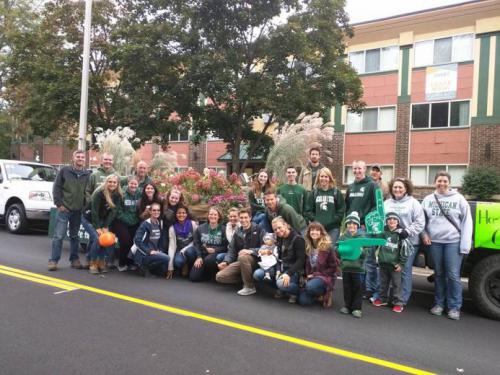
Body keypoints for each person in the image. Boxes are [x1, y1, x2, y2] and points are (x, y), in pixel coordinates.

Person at [421, 171, 473, 321]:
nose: (442, 184)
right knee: (439, 274)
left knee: (453, 275)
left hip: (453, 242)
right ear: (434, 182)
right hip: (435, 243)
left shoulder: (459, 199)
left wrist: (465, 245)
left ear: (449, 183)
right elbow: (421, 220)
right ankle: (439, 305)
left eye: (445, 181)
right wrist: (424, 234)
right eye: (439, 181)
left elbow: (467, 222)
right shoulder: (428, 199)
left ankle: (454, 307)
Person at [384, 177, 425, 305]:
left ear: (406, 188)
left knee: (404, 269)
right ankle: (393, 295)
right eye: (395, 187)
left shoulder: (413, 203)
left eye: (400, 187)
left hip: (409, 242)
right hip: (391, 242)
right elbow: (381, 220)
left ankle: (403, 299)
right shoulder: (387, 203)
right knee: (391, 269)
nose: (397, 189)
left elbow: (420, 222)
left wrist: (407, 231)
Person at [48, 150, 91, 271]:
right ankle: (53, 261)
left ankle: (74, 260)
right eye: (78, 156)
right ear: (73, 158)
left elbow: (88, 192)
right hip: (64, 209)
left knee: (74, 236)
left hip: (78, 210)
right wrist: (59, 204)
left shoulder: (87, 174)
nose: (80, 158)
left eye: (82, 157)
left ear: (85, 160)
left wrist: (84, 206)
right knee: (58, 236)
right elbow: (56, 187)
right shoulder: (65, 171)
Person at [345, 160, 379, 300]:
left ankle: (370, 288)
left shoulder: (372, 185)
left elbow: (376, 206)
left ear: (365, 169)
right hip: (352, 227)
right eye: (355, 169)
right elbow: (347, 207)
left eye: (359, 168)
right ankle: (358, 287)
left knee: (368, 258)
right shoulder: (351, 186)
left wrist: (366, 222)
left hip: (365, 227)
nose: (357, 171)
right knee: (355, 257)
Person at [216, 208, 265, 296]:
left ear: (250, 218)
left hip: (257, 260)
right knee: (220, 277)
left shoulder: (258, 229)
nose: (243, 220)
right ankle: (244, 279)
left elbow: (265, 247)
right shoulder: (238, 231)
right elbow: (232, 249)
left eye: (246, 217)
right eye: (241, 218)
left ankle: (249, 287)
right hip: (242, 262)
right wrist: (226, 261)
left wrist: (250, 251)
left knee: (243, 256)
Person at [81, 174, 122, 274]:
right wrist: (97, 227)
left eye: (114, 182)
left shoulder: (117, 195)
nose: (112, 184)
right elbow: (94, 211)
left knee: (105, 239)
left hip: (102, 219)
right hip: (89, 218)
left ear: (117, 184)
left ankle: (100, 261)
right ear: (106, 182)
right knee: (98, 239)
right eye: (110, 182)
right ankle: (93, 263)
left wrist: (105, 226)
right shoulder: (99, 192)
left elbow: (113, 212)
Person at [372, 212, 410, 313]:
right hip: (383, 262)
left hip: (395, 265)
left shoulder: (401, 235)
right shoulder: (383, 232)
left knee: (397, 284)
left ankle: (398, 303)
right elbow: (376, 241)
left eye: (394, 219)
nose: (392, 221)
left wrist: (401, 264)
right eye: (389, 219)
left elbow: (405, 250)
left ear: (398, 222)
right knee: (383, 282)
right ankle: (383, 299)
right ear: (386, 221)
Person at [298, 222, 337, 308]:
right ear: (308, 232)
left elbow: (333, 268)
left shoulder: (328, 247)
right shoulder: (307, 246)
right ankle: (316, 293)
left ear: (321, 232)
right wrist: (304, 275)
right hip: (310, 277)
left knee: (310, 286)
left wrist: (315, 275)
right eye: (312, 230)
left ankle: (326, 292)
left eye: (317, 230)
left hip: (324, 276)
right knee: (303, 301)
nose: (314, 232)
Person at [305, 167, 345, 245]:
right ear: (318, 178)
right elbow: (308, 210)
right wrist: (316, 220)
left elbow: (341, 210)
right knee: (318, 250)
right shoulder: (314, 193)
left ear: (330, 178)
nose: (324, 179)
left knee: (331, 249)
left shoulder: (336, 192)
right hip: (317, 229)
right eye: (322, 176)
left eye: (326, 177)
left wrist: (331, 220)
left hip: (333, 229)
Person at [338, 212, 367, 318]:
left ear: (358, 226)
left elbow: (365, 253)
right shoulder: (343, 237)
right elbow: (339, 250)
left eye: (354, 224)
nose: (351, 226)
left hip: (358, 268)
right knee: (347, 287)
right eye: (349, 223)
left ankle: (357, 308)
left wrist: (361, 251)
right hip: (346, 267)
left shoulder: (362, 237)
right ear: (346, 225)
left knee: (358, 288)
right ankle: (347, 306)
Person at [190, 206, 228, 282]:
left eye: (215, 214)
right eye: (211, 214)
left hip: (216, 254)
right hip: (203, 254)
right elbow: (196, 243)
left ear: (219, 216)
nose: (212, 216)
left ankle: (213, 273)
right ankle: (205, 273)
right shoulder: (200, 228)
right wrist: (199, 257)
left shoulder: (224, 229)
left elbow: (226, 246)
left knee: (208, 260)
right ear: (208, 215)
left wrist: (215, 250)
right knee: (194, 278)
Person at [273, 216, 306, 304]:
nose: (278, 231)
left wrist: (288, 273)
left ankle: (296, 290)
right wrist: (278, 270)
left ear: (286, 225)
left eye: (279, 227)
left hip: (295, 270)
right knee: (268, 274)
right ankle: (284, 288)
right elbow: (280, 257)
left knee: (280, 284)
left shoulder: (298, 239)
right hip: (284, 266)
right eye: (275, 229)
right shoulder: (280, 237)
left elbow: (301, 260)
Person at [132, 202, 170, 277]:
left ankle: (150, 268)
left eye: (158, 210)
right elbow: (136, 240)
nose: (156, 212)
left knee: (163, 270)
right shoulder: (145, 224)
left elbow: (160, 240)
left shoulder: (159, 223)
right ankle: (143, 265)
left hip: (155, 251)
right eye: (154, 210)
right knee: (167, 258)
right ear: (150, 211)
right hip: (145, 253)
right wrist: (149, 251)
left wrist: (159, 249)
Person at [114, 176, 141, 272]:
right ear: (128, 183)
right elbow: (118, 210)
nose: (133, 185)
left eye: (135, 184)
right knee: (125, 241)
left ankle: (130, 263)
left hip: (135, 221)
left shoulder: (140, 193)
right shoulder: (122, 193)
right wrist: (126, 219)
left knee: (133, 242)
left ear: (138, 185)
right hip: (122, 221)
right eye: (131, 183)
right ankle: (122, 263)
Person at [166, 205, 198, 279]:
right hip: (179, 250)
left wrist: (185, 249)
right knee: (178, 262)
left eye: (184, 213)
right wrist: (170, 267)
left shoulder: (192, 224)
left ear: (187, 214)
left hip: (192, 249)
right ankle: (184, 264)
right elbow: (171, 246)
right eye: (179, 213)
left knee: (189, 252)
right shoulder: (172, 228)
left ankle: (191, 267)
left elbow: (196, 241)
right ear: (176, 214)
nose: (181, 215)